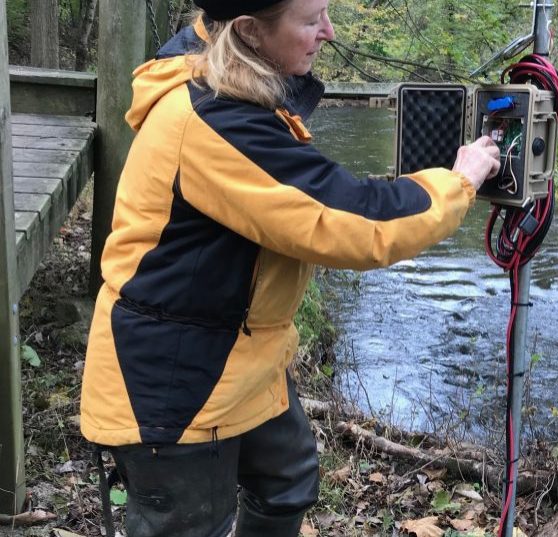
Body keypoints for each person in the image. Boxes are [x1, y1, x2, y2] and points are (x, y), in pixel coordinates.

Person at [79, 0, 500, 536]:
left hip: (241, 355)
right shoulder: (212, 120)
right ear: (251, 32)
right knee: (186, 526)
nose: (328, 32)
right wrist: (458, 181)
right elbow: (353, 220)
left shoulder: (228, 84)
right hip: (173, 378)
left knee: (288, 482)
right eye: (310, 20)